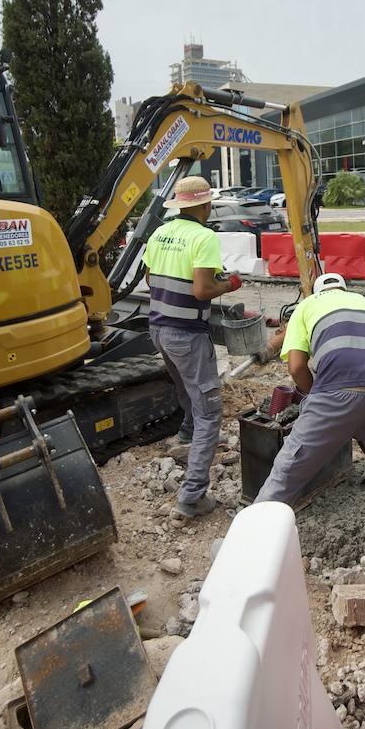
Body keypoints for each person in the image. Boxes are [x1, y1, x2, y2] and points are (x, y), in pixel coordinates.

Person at [256, 273, 365, 577]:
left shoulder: (306, 306)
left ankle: (248, 548)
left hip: (337, 386)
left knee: (287, 473)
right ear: (343, 289)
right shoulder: (364, 304)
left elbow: (297, 367)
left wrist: (318, 403)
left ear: (314, 292)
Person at [143, 175, 242, 519]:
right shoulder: (204, 237)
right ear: (204, 204)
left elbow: (149, 279)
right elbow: (202, 290)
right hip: (186, 332)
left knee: (187, 389)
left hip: (158, 327)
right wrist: (228, 284)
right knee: (210, 412)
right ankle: (192, 496)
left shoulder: (160, 233)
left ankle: (186, 434)